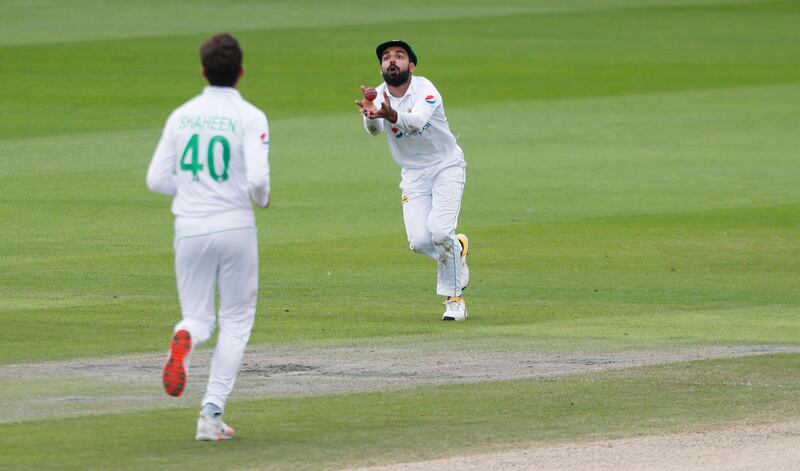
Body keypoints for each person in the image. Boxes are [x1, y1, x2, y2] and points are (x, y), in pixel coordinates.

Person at [146, 33, 271, 441]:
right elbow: (256, 179)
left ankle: (184, 339)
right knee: (236, 320)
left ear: (203, 70)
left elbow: (156, 180)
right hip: (234, 224)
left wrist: (193, 189)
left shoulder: (181, 115)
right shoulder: (250, 115)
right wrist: (262, 199)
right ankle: (210, 414)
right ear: (241, 72)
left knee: (198, 317)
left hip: (189, 226)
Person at [355, 40, 470, 321]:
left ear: (412, 65)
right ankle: (459, 249)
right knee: (419, 241)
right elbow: (373, 130)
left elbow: (416, 121)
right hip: (413, 174)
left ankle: (454, 300)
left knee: (440, 231)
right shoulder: (378, 95)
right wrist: (371, 114)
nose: (391, 61)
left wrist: (388, 114)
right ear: (381, 67)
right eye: (386, 57)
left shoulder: (426, 89)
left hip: (446, 166)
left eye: (399, 56)